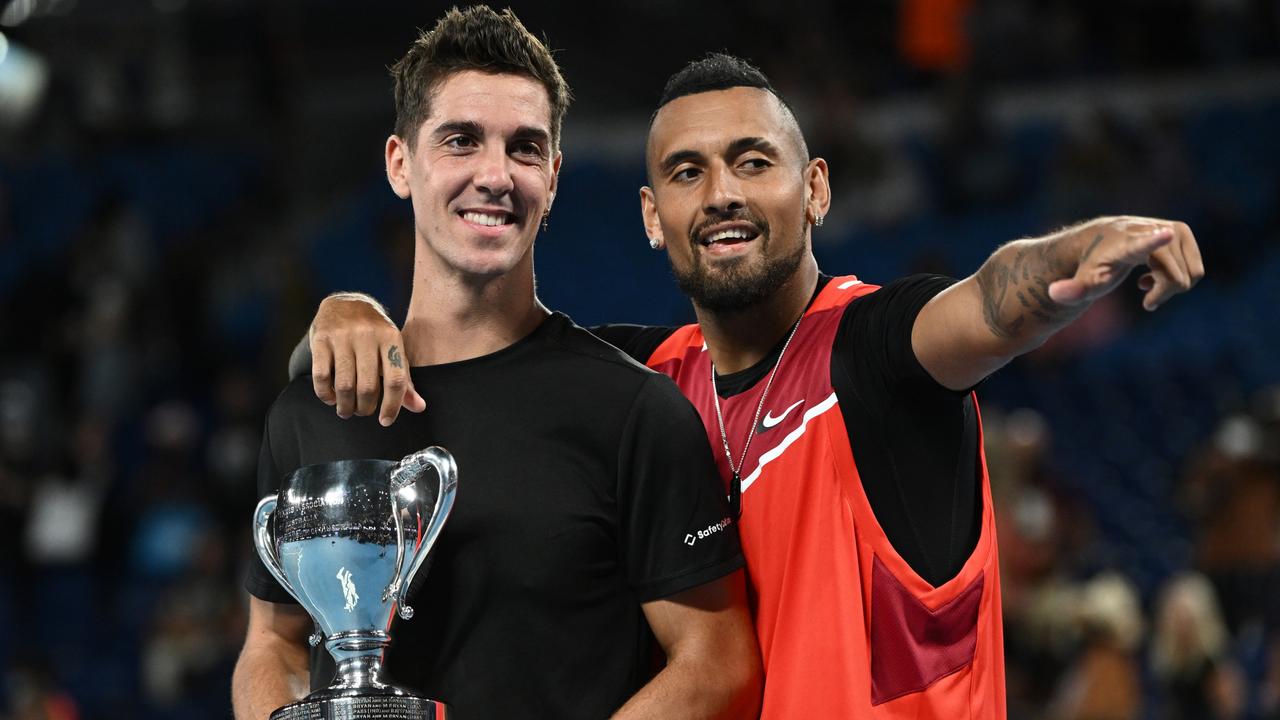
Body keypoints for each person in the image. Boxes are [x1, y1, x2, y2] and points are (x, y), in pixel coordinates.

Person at [299, 54, 1205, 718]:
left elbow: (988, 308)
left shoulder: (876, 353)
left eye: (754, 161)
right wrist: (344, 315)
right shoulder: (644, 381)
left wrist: (1072, 257)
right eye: (688, 173)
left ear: (815, 190)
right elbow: (458, 358)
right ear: (654, 219)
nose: (722, 192)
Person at [232, 13, 762, 720]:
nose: (495, 175)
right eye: (461, 141)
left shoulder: (634, 410)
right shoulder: (312, 410)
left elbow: (719, 663)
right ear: (399, 163)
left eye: (525, 148)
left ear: (553, 175)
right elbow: (272, 642)